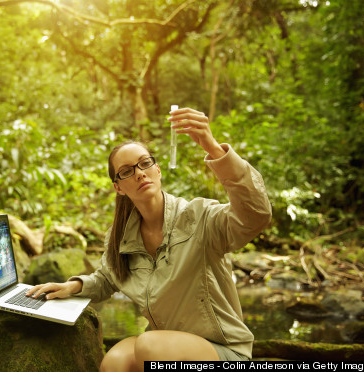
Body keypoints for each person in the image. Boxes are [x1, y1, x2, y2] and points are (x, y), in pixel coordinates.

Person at [27, 107, 272, 370]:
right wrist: (73, 287)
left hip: (222, 350)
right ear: (118, 187)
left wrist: (213, 149)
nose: (139, 173)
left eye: (145, 163)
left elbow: (256, 214)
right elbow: (108, 278)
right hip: (164, 347)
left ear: (158, 170)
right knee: (115, 361)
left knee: (149, 345)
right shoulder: (121, 237)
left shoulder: (199, 218)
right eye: (127, 171)